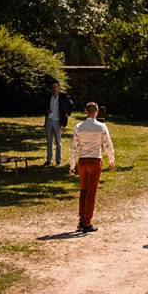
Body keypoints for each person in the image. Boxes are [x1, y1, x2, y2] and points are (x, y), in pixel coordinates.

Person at [68, 101, 114, 232]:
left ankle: (81, 220)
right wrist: (111, 159)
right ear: (97, 112)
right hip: (95, 160)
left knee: (83, 191)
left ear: (85, 111)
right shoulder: (101, 127)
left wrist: (72, 165)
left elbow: (74, 147)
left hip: (82, 161)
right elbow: (107, 145)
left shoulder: (79, 126)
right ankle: (87, 222)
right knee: (91, 192)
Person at [43, 80, 74, 166]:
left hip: (58, 121)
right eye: (53, 87)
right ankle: (48, 160)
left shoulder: (63, 96)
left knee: (58, 142)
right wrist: (46, 111)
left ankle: (58, 161)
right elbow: (43, 106)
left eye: (56, 87)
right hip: (49, 121)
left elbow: (72, 104)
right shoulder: (48, 97)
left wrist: (68, 113)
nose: (54, 89)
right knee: (49, 142)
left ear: (59, 87)